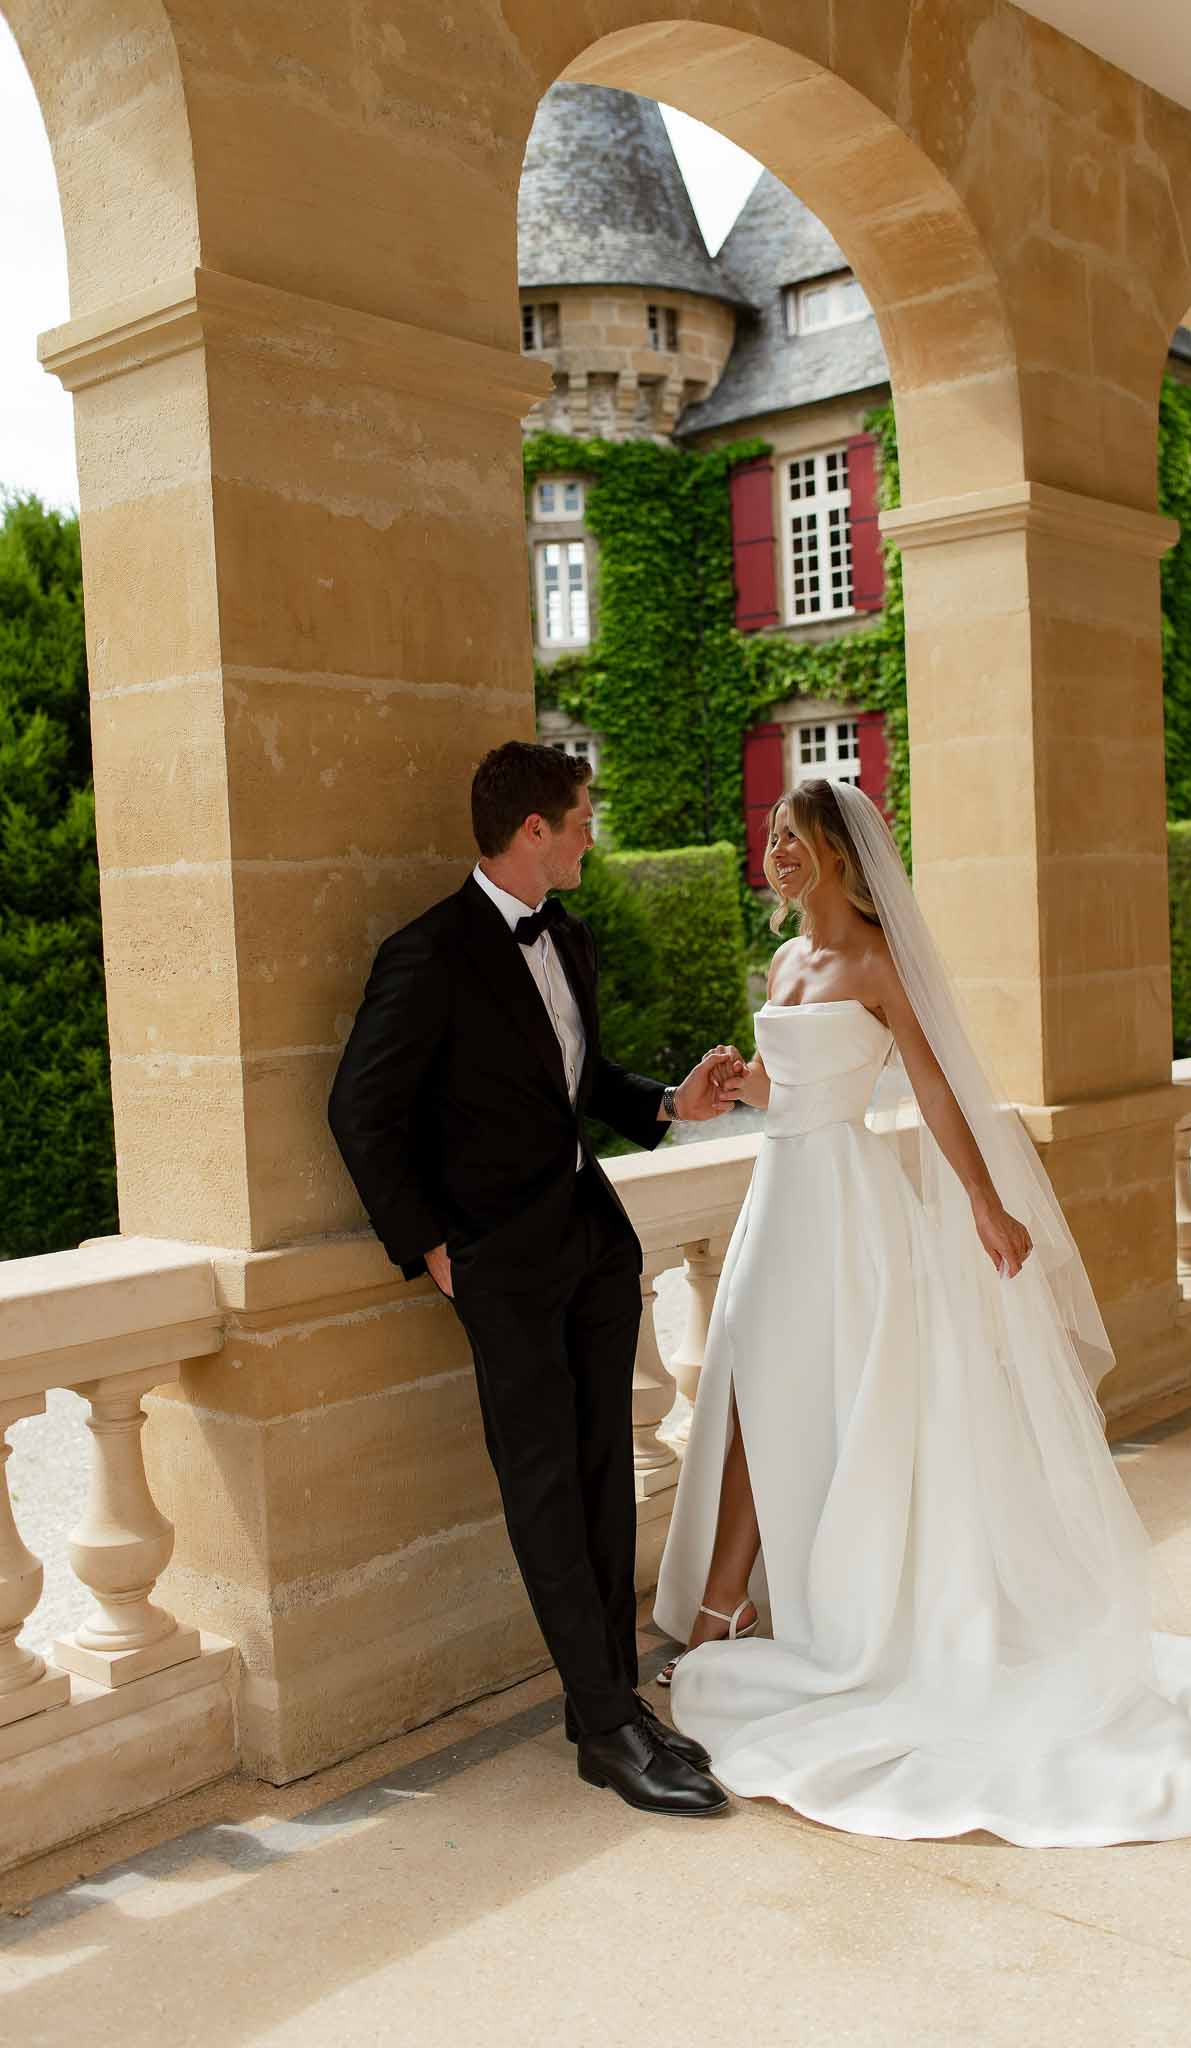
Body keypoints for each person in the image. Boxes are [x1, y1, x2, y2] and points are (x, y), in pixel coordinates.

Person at [654, 777, 1191, 1845]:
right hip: (777, 1198)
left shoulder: (873, 959)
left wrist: (985, 1204)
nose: (773, 850)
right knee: (745, 1393)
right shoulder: (780, 959)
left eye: (793, 838)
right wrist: (733, 1086)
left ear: (835, 852)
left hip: (845, 1213)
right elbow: (791, 1087)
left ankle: (732, 1606)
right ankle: (730, 1601)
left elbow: (933, 1087)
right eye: (770, 834)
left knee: (793, 1402)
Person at [328, 741, 743, 1819]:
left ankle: (605, 1707)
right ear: (532, 832)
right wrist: (427, 1247)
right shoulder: (427, 953)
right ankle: (606, 1724)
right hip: (498, 1265)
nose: (589, 833)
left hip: (593, 1247)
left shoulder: (566, 933)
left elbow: (578, 1081)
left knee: (607, 1476)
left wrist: (667, 1103)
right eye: (579, 817)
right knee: (545, 1490)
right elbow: (359, 1110)